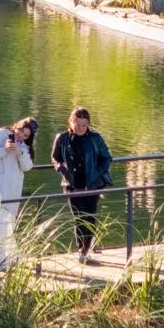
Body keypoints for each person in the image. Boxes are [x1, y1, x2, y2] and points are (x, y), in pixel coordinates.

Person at [50, 107, 113, 264]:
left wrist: (97, 173)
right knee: (78, 218)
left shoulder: (95, 138)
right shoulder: (62, 138)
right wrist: (61, 169)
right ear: (71, 122)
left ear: (88, 125)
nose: (81, 128)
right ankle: (82, 250)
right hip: (72, 184)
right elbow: (55, 157)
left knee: (90, 216)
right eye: (77, 125)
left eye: (84, 125)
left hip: (93, 184)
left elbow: (106, 158)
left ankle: (87, 248)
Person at [0, 117, 37, 270]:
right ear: (16, 126)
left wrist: (19, 152)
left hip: (13, 189)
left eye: (25, 135)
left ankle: (8, 260)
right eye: (20, 131)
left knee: (8, 224)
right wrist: (4, 149)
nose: (21, 135)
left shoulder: (24, 147)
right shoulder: (2, 133)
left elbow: (28, 166)